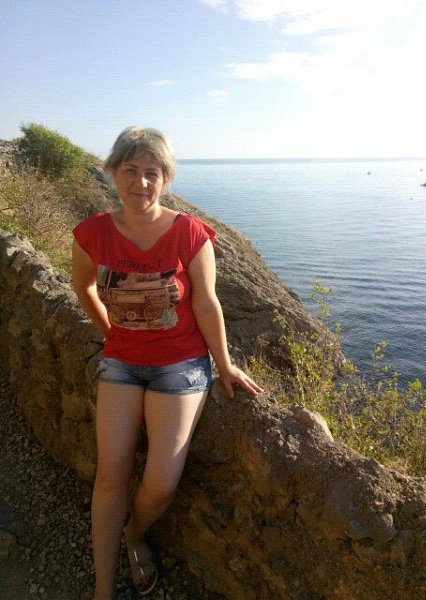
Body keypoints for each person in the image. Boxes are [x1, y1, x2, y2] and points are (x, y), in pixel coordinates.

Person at [71, 126, 263, 600]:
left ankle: (134, 536)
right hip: (121, 363)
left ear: (166, 178)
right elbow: (84, 288)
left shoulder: (189, 233)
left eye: (152, 172)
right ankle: (102, 589)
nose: (141, 182)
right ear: (113, 173)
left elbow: (207, 304)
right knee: (110, 475)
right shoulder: (91, 233)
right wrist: (111, 333)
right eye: (130, 170)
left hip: (181, 365)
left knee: (160, 484)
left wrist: (225, 365)